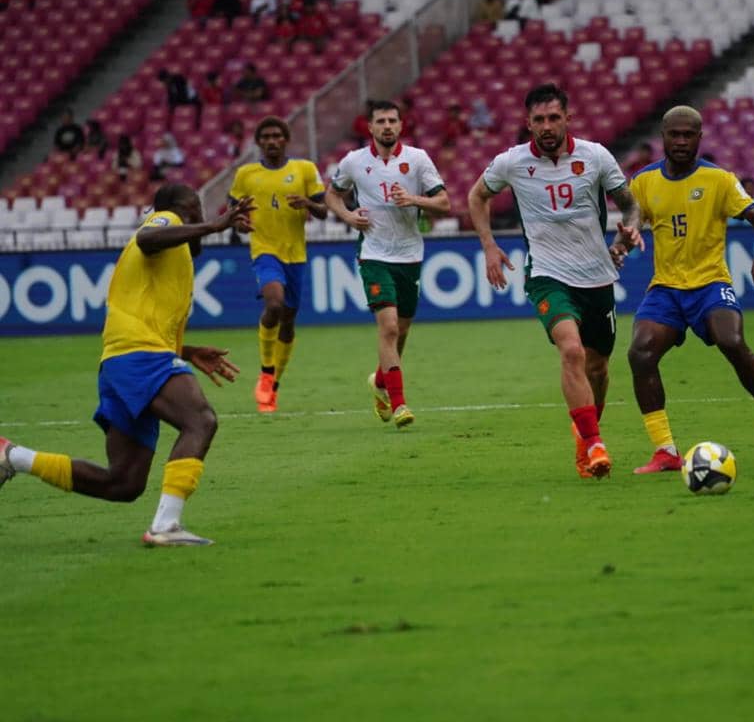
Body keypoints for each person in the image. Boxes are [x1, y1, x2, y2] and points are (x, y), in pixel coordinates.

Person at [0, 185, 255, 546]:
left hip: (124, 360)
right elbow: (149, 237)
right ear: (182, 209)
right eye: (195, 209)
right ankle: (166, 527)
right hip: (140, 356)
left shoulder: (176, 259)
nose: (198, 216)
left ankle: (13, 456)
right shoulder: (165, 218)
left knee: (123, 483)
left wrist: (187, 350)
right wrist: (212, 227)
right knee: (200, 421)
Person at [467, 83, 644, 479]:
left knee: (597, 368)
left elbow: (631, 206)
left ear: (568, 118)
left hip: (597, 276)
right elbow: (476, 196)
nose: (546, 126)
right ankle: (595, 443)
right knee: (571, 352)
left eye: (553, 118)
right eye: (538, 120)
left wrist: (630, 229)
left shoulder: (595, 156)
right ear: (527, 123)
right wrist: (489, 246)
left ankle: (585, 434)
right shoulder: (512, 162)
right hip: (547, 275)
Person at [626, 105, 754, 473]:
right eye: (676, 134)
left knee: (732, 341)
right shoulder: (643, 181)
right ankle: (665, 451)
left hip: (710, 283)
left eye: (690, 134)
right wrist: (624, 238)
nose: (683, 141)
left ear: (700, 138)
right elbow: (631, 220)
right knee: (640, 353)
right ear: (663, 137)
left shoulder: (719, 179)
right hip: (666, 288)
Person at [324, 99, 452, 429]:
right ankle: (399, 405)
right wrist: (347, 216)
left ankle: (380, 383)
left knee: (402, 331)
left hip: (410, 254)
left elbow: (444, 203)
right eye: (380, 121)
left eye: (392, 120)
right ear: (369, 127)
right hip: (374, 254)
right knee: (390, 327)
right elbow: (332, 195)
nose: (387, 126)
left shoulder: (417, 159)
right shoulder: (354, 161)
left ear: (400, 125)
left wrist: (413, 199)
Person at [227, 116, 327, 414]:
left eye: (277, 136)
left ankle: (274, 386)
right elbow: (234, 214)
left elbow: (324, 210)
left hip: (295, 255)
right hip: (264, 251)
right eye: (266, 137)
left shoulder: (304, 169)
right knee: (274, 305)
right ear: (259, 142)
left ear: (285, 140)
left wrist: (308, 205)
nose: (271, 141)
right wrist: (240, 225)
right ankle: (266, 372)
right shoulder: (246, 174)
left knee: (288, 320)